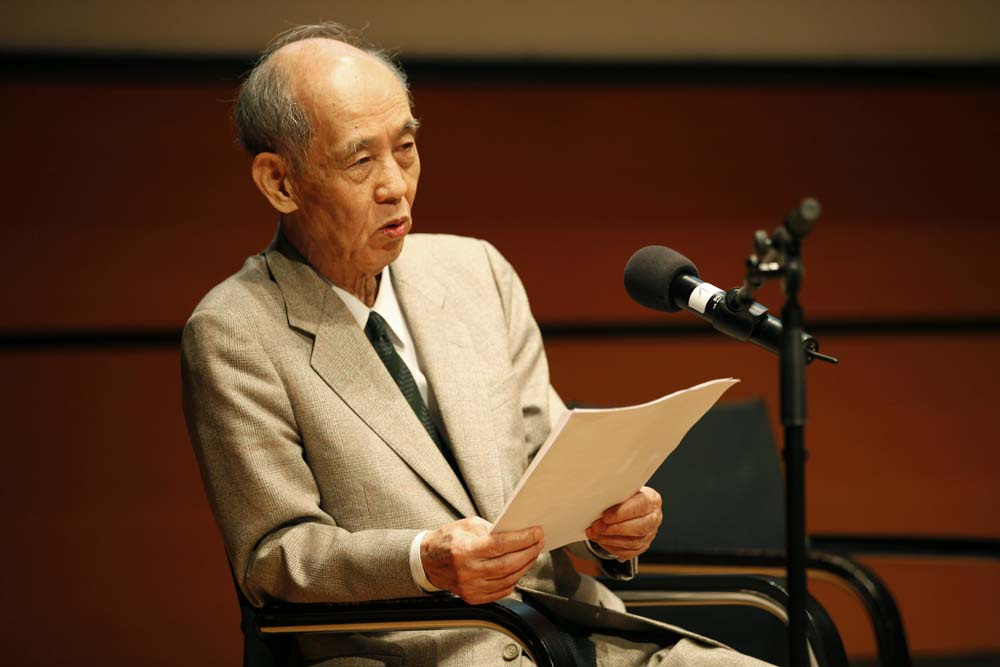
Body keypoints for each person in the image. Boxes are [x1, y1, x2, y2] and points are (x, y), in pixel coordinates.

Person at [181, 21, 770, 667]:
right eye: (360, 159)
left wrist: (613, 524)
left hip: (579, 636)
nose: (395, 185)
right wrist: (423, 559)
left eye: (405, 148)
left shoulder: (475, 271)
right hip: (415, 650)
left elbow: (549, 456)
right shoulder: (236, 330)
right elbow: (275, 554)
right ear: (280, 182)